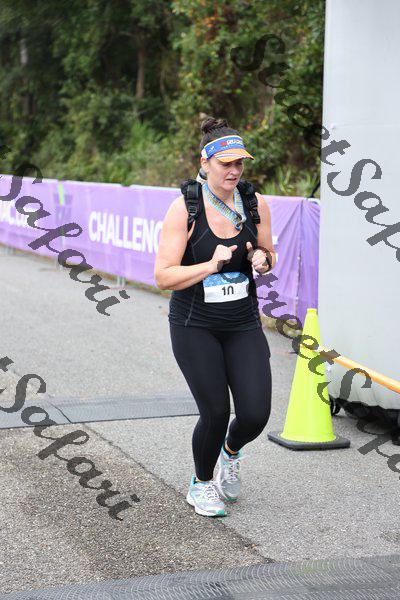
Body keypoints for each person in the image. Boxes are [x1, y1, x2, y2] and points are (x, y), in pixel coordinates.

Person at [154, 117, 276, 518]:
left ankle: (231, 452)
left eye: (239, 163)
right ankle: (202, 483)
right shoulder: (184, 208)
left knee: (255, 414)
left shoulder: (255, 204)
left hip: (242, 323)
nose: (234, 171)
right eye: (226, 163)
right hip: (195, 325)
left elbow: (268, 253)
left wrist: (262, 260)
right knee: (216, 411)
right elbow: (163, 276)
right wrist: (209, 265)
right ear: (205, 164)